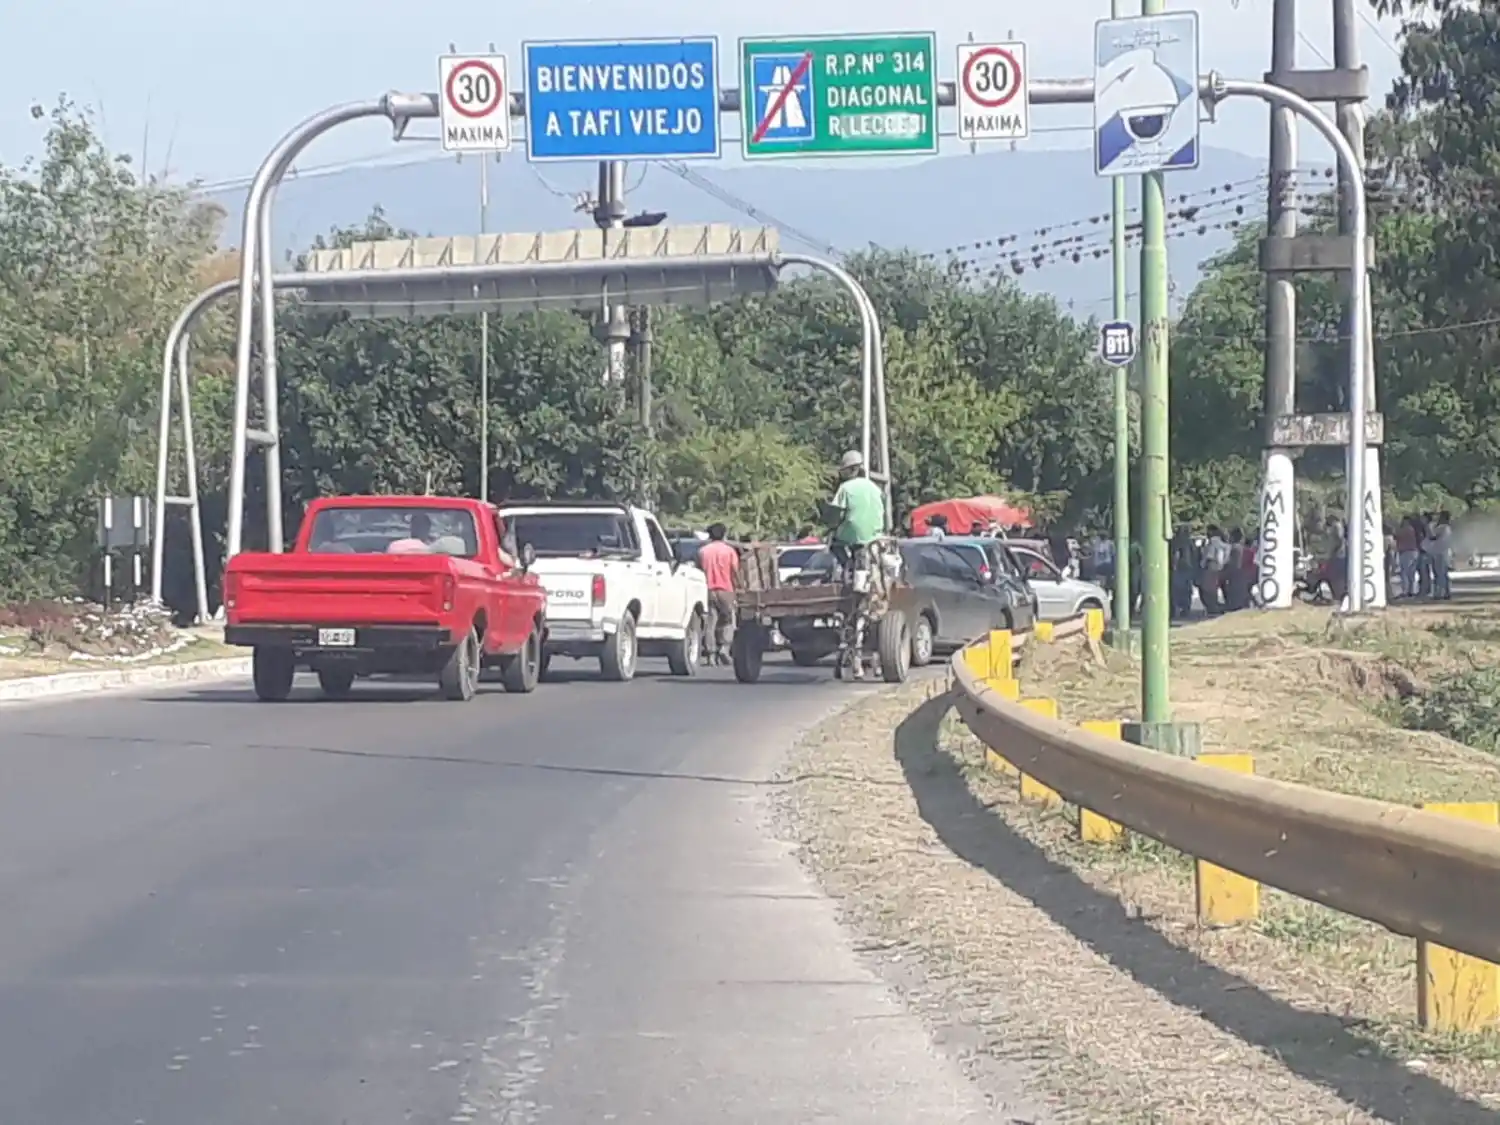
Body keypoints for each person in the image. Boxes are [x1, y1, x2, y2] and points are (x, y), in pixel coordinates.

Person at [826, 450, 886, 679]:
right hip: (877, 538)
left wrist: (831, 527)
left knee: (834, 544)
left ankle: (848, 567)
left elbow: (835, 515)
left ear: (851, 470)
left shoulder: (846, 489)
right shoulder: (875, 488)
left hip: (856, 539)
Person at [697, 523, 739, 665]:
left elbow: (698, 571)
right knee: (728, 621)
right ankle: (724, 648)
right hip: (726, 589)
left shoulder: (703, 551)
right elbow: (735, 571)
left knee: (710, 623)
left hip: (708, 590)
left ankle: (710, 655)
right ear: (724, 534)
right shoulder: (729, 551)